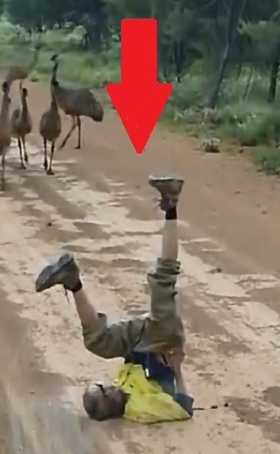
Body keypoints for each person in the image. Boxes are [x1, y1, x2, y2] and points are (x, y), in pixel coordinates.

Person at [35, 174, 194, 424]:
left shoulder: (121, 386)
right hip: (162, 343)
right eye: (105, 395)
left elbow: (114, 355)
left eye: (102, 386)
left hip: (139, 345)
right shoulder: (139, 408)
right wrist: (178, 370)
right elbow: (184, 409)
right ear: (111, 410)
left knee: (96, 341)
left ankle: (71, 280)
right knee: (162, 281)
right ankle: (171, 202)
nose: (108, 389)